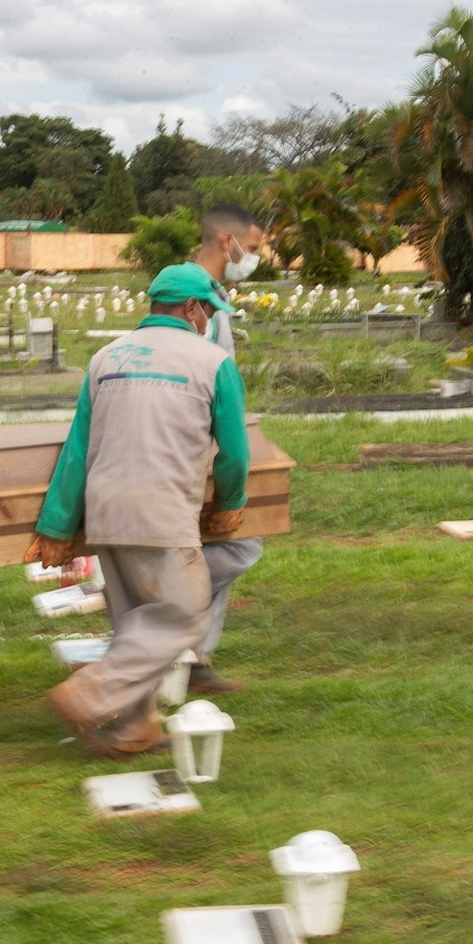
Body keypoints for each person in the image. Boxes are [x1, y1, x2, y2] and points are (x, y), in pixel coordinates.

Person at [26, 263, 251, 758]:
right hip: (163, 508)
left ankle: (135, 728)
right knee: (183, 615)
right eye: (209, 311)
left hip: (107, 512)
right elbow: (234, 452)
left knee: (133, 626)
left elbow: (77, 448)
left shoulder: (106, 357)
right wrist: (230, 504)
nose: (210, 320)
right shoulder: (213, 361)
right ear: (192, 308)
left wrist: (57, 525)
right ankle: (91, 693)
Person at [187, 202, 268, 695]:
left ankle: (193, 655)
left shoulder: (211, 294)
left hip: (208, 441)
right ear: (227, 243)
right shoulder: (197, 300)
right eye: (252, 248)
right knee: (234, 544)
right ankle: (174, 638)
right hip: (192, 447)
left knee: (226, 543)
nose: (253, 258)